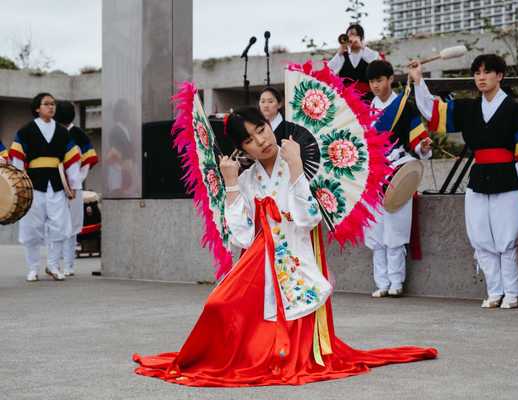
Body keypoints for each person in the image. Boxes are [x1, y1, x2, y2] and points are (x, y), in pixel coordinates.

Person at [132, 106, 437, 387]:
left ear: (270, 125)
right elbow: (240, 237)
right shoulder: (248, 178)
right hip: (259, 265)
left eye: (261, 130)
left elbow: (308, 220)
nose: (261, 141)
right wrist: (232, 184)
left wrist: (295, 168)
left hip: (296, 260)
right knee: (217, 305)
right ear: (242, 149)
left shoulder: (303, 158)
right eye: (250, 140)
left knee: (276, 346)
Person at [408, 54, 518, 309]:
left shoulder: (515, 109)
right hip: (479, 178)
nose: (481, 77)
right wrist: (418, 82)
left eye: (487, 72)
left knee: (507, 239)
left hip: (509, 178)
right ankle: (494, 291)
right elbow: (433, 111)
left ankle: (512, 293)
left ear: (500, 76)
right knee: (481, 237)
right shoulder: (468, 108)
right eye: (477, 73)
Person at [365, 60, 432, 298]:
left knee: (395, 230)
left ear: (390, 79)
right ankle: (381, 282)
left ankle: (396, 281)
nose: (375, 85)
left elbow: (418, 140)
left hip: (398, 170)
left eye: (379, 80)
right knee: (375, 232)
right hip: (372, 174)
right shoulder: (363, 108)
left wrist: (423, 146)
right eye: (372, 81)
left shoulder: (405, 106)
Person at [9, 92, 81, 282]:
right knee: (32, 226)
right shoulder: (25, 131)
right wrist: (18, 186)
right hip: (32, 184)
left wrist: (73, 184)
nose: (51, 107)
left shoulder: (63, 132)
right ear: (37, 108)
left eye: (53, 104)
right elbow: (17, 159)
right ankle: (33, 268)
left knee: (59, 224)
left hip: (56, 184)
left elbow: (72, 160)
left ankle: (53, 265)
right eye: (47, 104)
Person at [54, 100, 98, 276]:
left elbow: (88, 161)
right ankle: (55, 264)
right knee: (57, 225)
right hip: (55, 185)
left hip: (74, 187)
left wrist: (75, 181)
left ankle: (69, 266)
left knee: (72, 228)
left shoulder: (78, 134)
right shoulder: (53, 132)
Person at [328, 24, 380, 98]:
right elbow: (329, 70)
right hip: (347, 98)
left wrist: (362, 46)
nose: (350, 38)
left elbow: (378, 64)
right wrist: (339, 53)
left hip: (367, 97)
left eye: (353, 35)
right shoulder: (343, 56)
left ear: (360, 37)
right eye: (348, 35)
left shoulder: (366, 53)